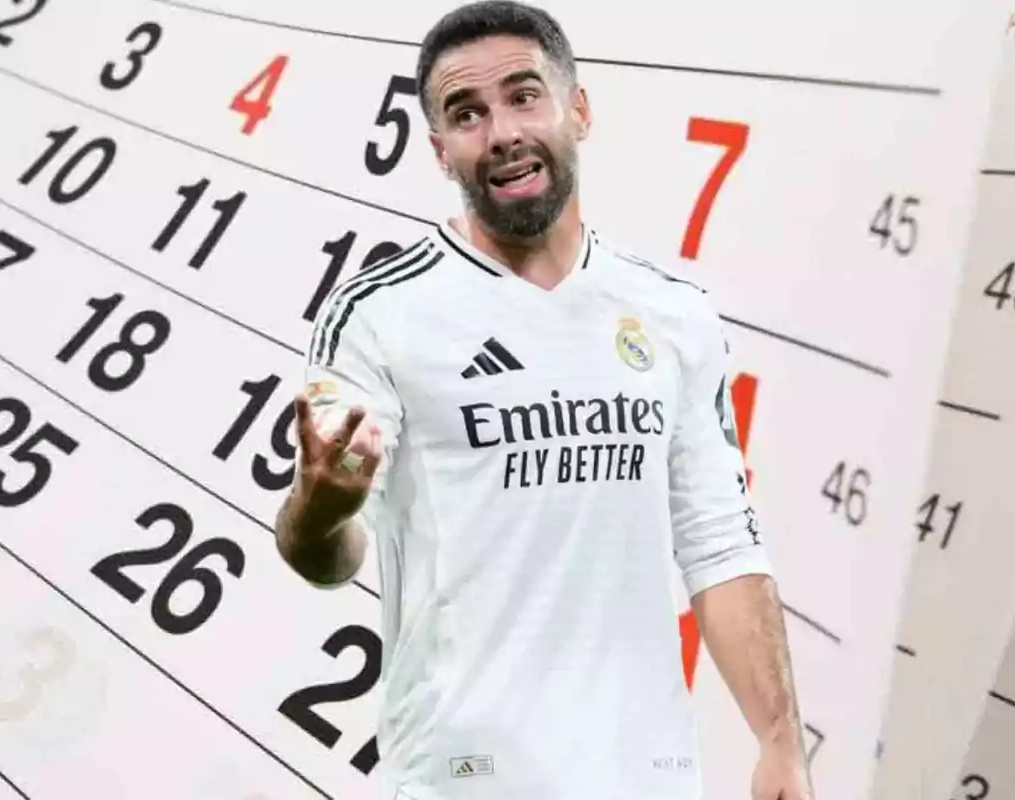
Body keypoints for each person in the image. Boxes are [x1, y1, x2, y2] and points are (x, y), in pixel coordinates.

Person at [274, 2, 813, 797]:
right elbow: (328, 554)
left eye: (525, 96)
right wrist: (316, 512)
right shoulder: (378, 315)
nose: (501, 133)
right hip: (462, 778)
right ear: (439, 150)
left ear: (579, 109)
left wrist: (779, 741)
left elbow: (721, 542)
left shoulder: (675, 312)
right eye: (467, 114)